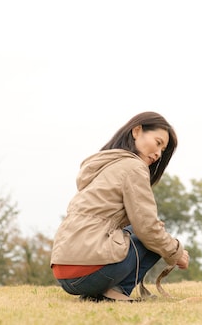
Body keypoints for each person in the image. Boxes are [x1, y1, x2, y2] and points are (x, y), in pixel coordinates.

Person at [50, 111, 190, 302]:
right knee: (154, 237)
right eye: (158, 143)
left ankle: (102, 293)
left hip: (62, 270)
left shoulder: (105, 165)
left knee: (138, 231)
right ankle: (117, 292)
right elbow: (148, 228)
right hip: (88, 271)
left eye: (163, 150)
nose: (158, 154)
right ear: (137, 131)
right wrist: (177, 252)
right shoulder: (134, 167)